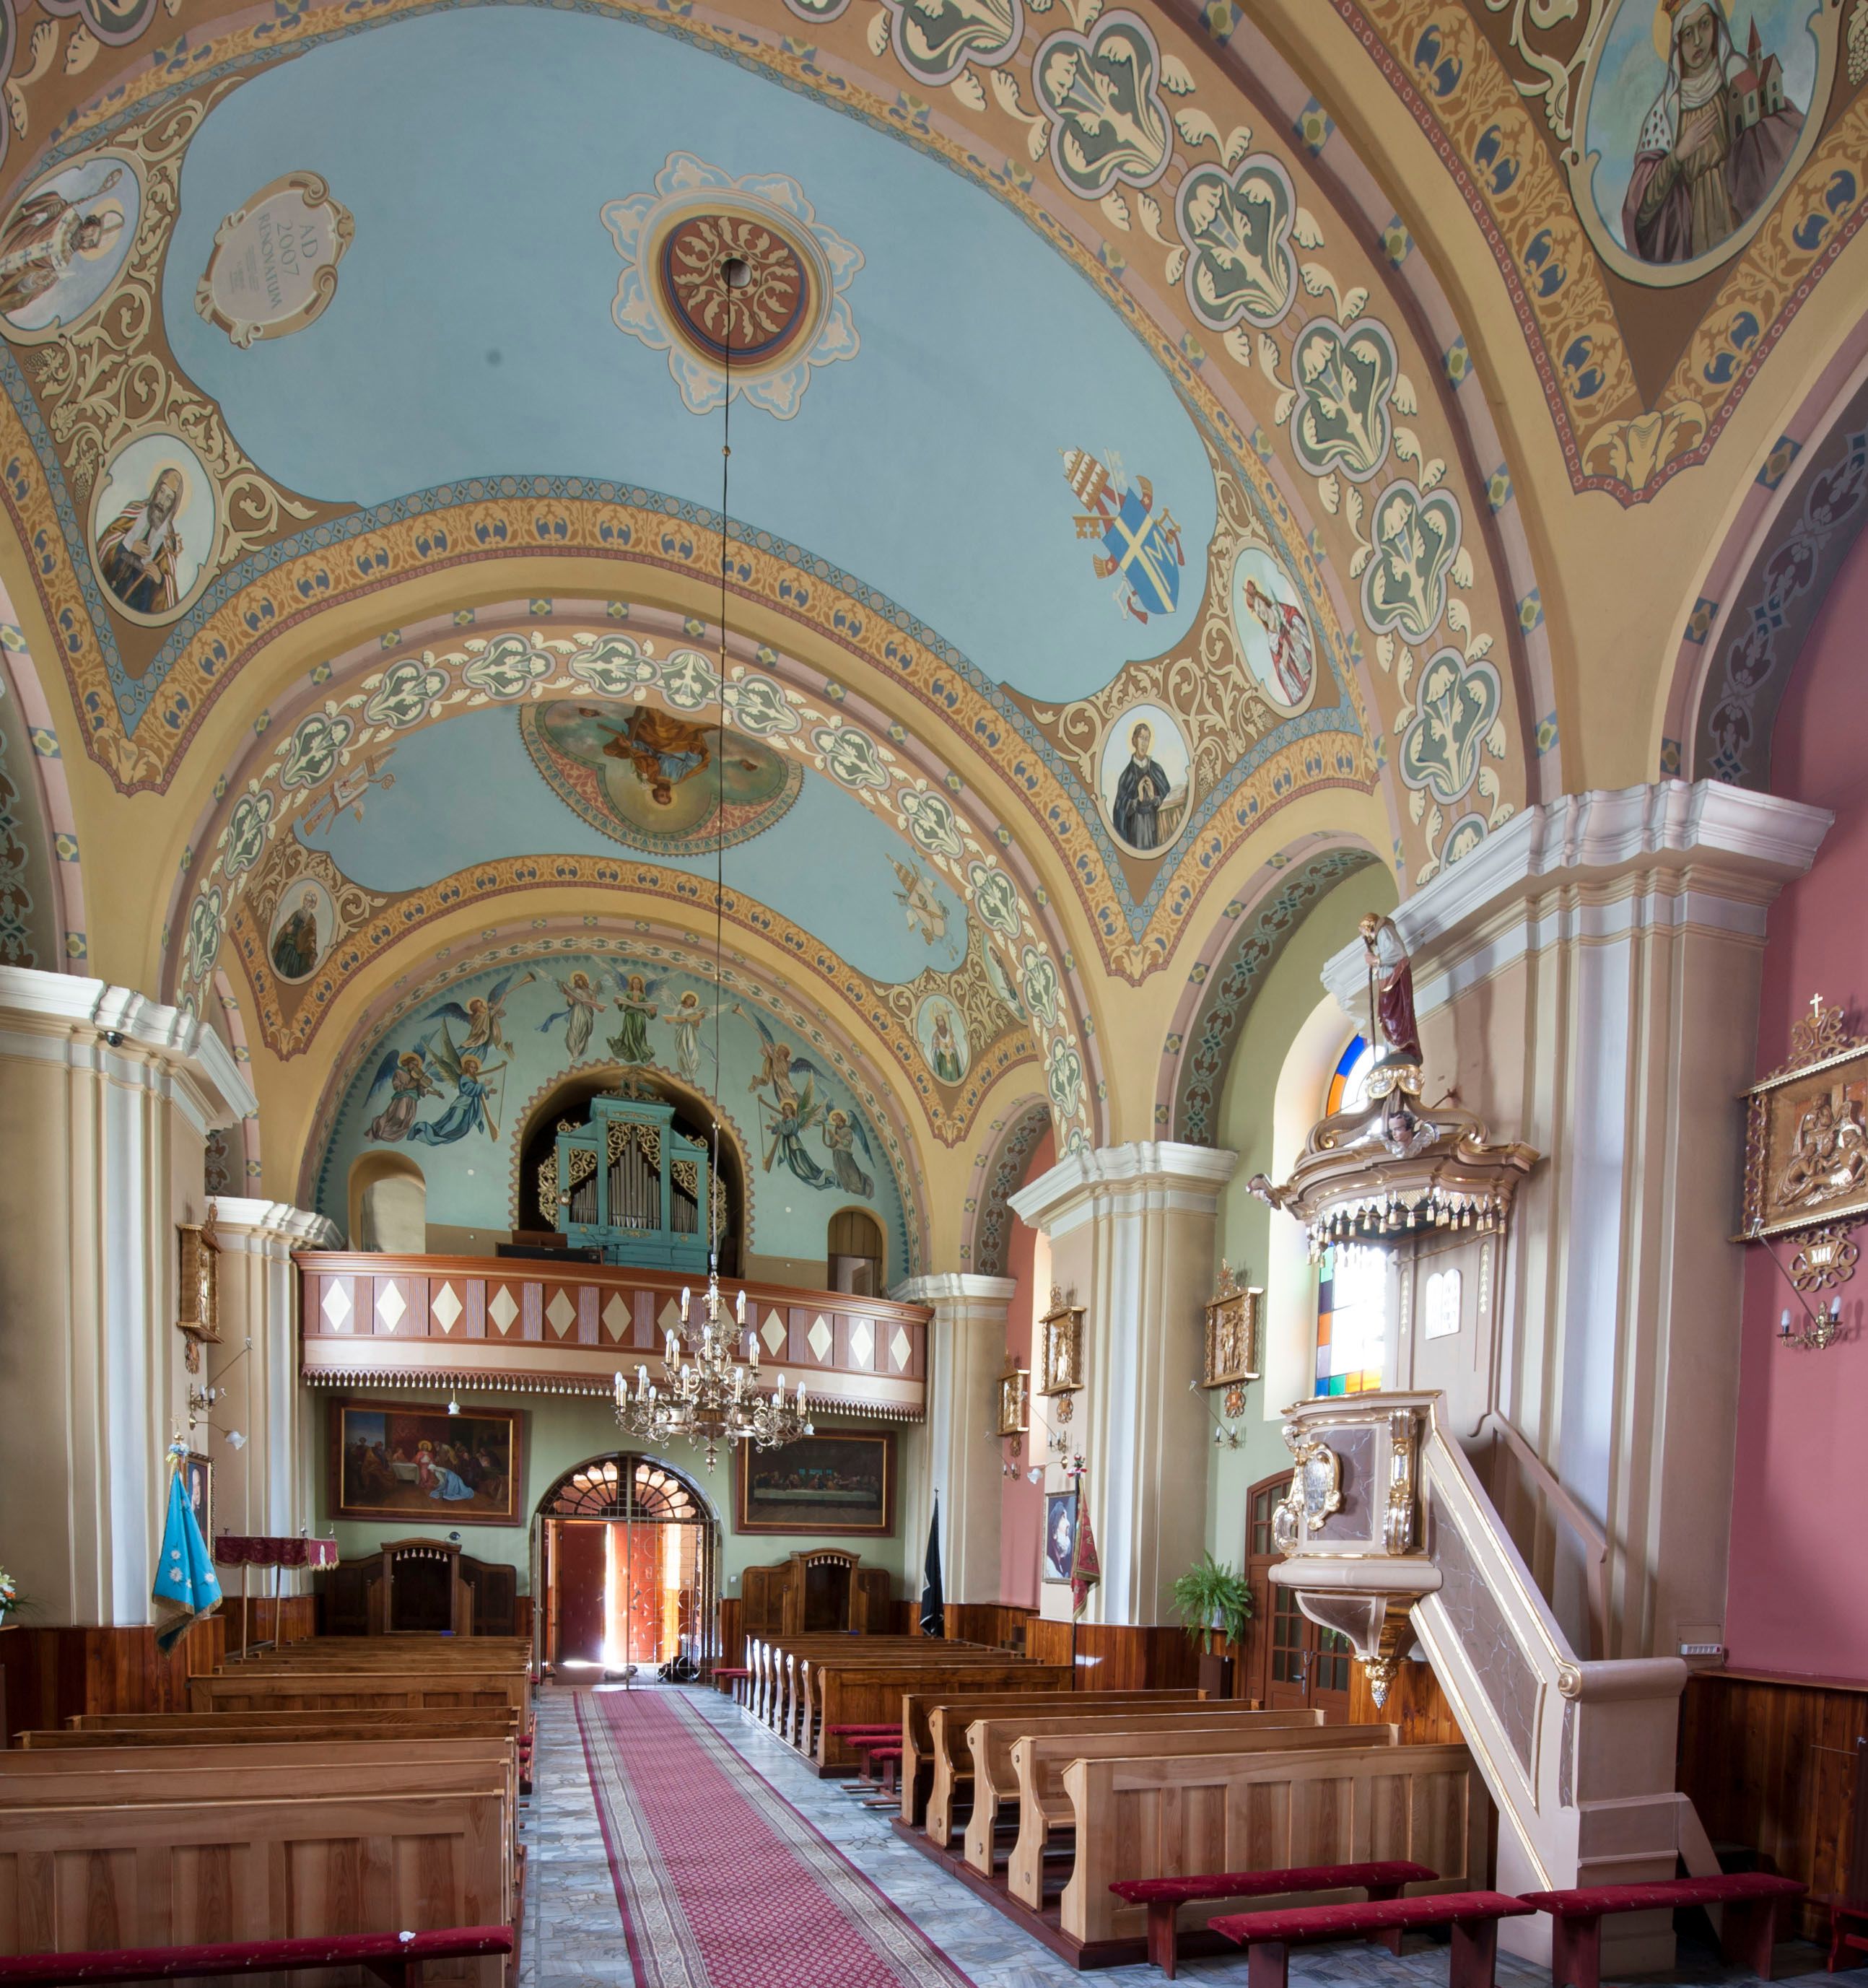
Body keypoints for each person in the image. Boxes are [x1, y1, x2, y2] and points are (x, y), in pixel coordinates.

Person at [1623, 0, 1802, 265]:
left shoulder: (1736, 77)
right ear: (1677, 43)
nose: (1697, 40)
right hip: (1699, 231)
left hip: (1743, 203)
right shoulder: (1667, 110)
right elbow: (1642, 210)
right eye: (1687, 33)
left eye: (1704, 24)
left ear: (1717, 25)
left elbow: (1779, 136)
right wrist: (1677, 156)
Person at [0, 168, 125, 319]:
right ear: (90, 223)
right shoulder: (65, 213)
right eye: (92, 232)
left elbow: (25, 290)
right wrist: (46, 211)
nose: (87, 240)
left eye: (91, 243)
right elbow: (34, 211)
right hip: (7, 241)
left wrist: (34, 281)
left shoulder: (61, 264)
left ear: (88, 249)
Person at [96, 463, 187, 616]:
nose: (162, 501)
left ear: (173, 506)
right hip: (113, 586)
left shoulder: (169, 540)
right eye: (162, 492)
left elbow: (170, 590)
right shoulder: (135, 511)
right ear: (156, 490)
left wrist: (160, 579)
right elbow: (105, 542)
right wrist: (128, 545)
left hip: (139, 604)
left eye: (169, 498)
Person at [1242, 575, 1314, 705]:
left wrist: (1295, 629)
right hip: (1298, 673)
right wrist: (1284, 660)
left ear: (1263, 600)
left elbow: (1294, 614)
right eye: (1257, 611)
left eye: (1259, 605)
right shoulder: (1272, 642)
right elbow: (1280, 671)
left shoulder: (1281, 610)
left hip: (1305, 656)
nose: (1261, 611)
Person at [1111, 720, 1171, 851]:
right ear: (1134, 740)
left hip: (1155, 829)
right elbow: (1119, 810)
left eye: (1147, 739)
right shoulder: (1126, 776)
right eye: (1141, 738)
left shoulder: (1157, 770)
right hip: (1135, 833)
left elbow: (1168, 799)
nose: (1144, 743)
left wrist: (1153, 797)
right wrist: (1138, 799)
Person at [269, 887, 321, 982]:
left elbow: (310, 936)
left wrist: (294, 931)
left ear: (312, 905)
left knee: (289, 971)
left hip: (297, 950)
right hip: (286, 945)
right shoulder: (297, 913)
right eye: (305, 900)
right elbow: (287, 925)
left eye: (309, 901)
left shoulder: (311, 920)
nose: (306, 903)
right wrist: (287, 929)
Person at [929, 1006, 964, 1085]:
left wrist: (955, 1047)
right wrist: (936, 1048)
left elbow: (957, 1047)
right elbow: (933, 1052)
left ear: (944, 1021)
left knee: (955, 1078)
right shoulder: (935, 1036)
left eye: (942, 1020)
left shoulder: (950, 1034)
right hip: (942, 1062)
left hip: (952, 1061)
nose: (941, 1023)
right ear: (937, 1023)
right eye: (939, 1021)